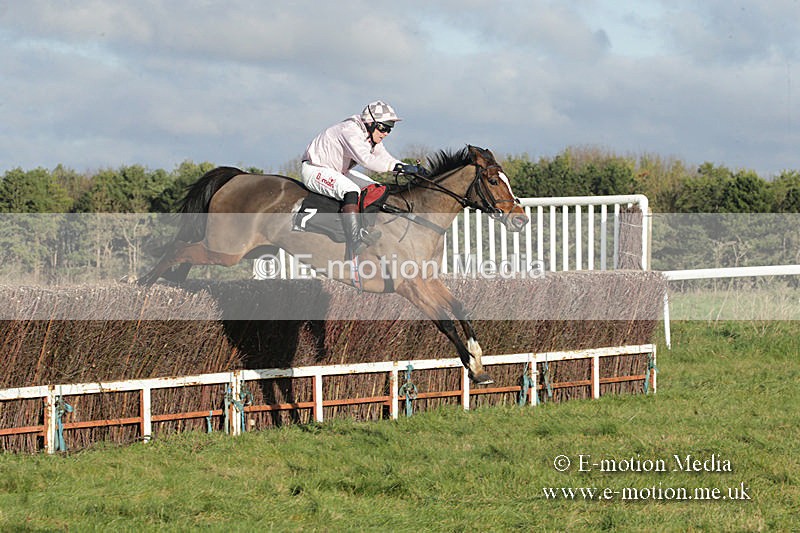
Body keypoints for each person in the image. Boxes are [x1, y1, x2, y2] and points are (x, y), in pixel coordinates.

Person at [300, 100, 423, 255]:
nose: (386, 133)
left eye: (390, 129)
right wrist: (398, 168)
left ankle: (365, 228)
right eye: (384, 128)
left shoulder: (369, 135)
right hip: (315, 169)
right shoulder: (350, 131)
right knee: (351, 190)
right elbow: (366, 160)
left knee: (376, 187)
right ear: (371, 123)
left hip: (336, 171)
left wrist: (406, 168)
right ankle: (355, 240)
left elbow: (385, 158)